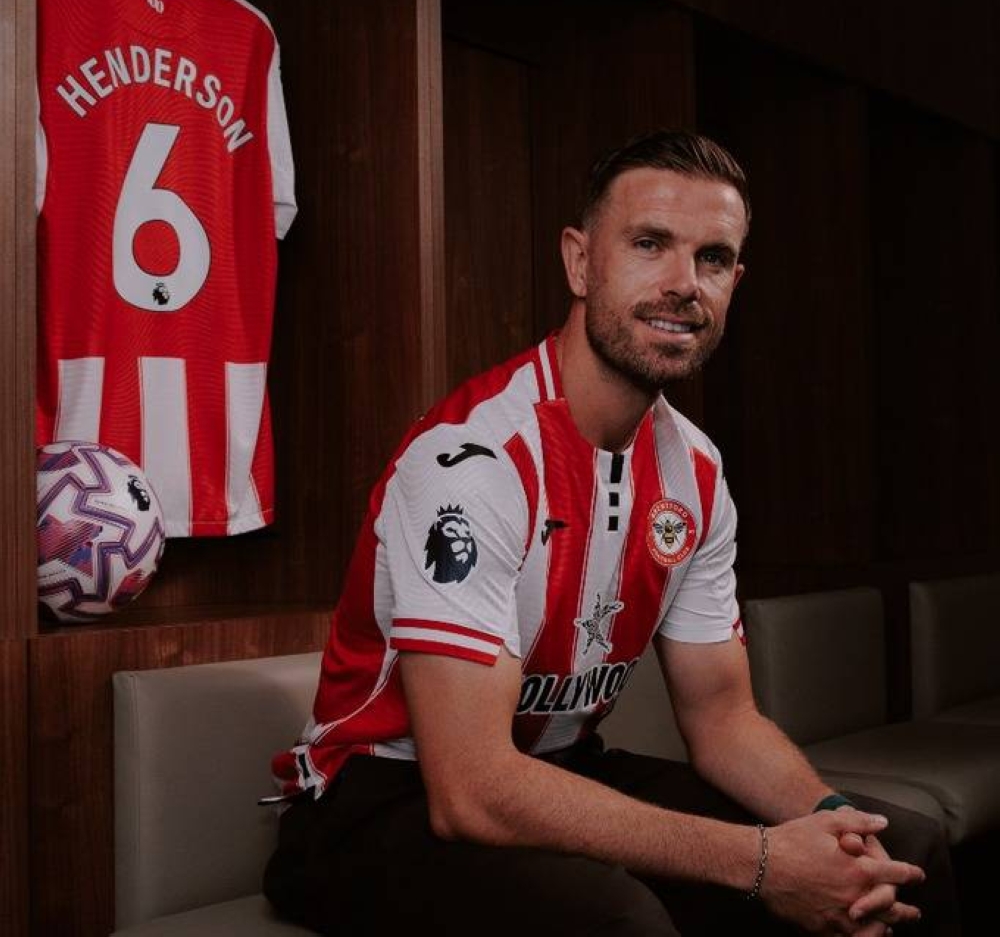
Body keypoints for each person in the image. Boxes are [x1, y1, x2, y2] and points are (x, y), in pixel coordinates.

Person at [264, 130, 957, 936]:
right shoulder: (475, 461)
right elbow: (471, 791)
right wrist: (764, 862)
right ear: (580, 262)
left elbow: (724, 722)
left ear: (735, 282)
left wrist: (835, 828)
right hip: (376, 802)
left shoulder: (696, 471)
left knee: (902, 854)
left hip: (555, 768)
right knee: (620, 921)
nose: (683, 283)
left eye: (713, 258)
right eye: (650, 244)